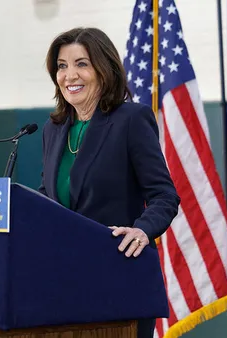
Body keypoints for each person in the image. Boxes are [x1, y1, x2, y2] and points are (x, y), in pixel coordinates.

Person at [38, 27, 180, 338]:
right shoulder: (54, 128)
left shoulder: (131, 119)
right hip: (64, 281)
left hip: (119, 276)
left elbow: (164, 195)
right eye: (62, 66)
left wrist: (142, 230)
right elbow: (48, 196)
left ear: (104, 70)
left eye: (81, 64)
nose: (70, 75)